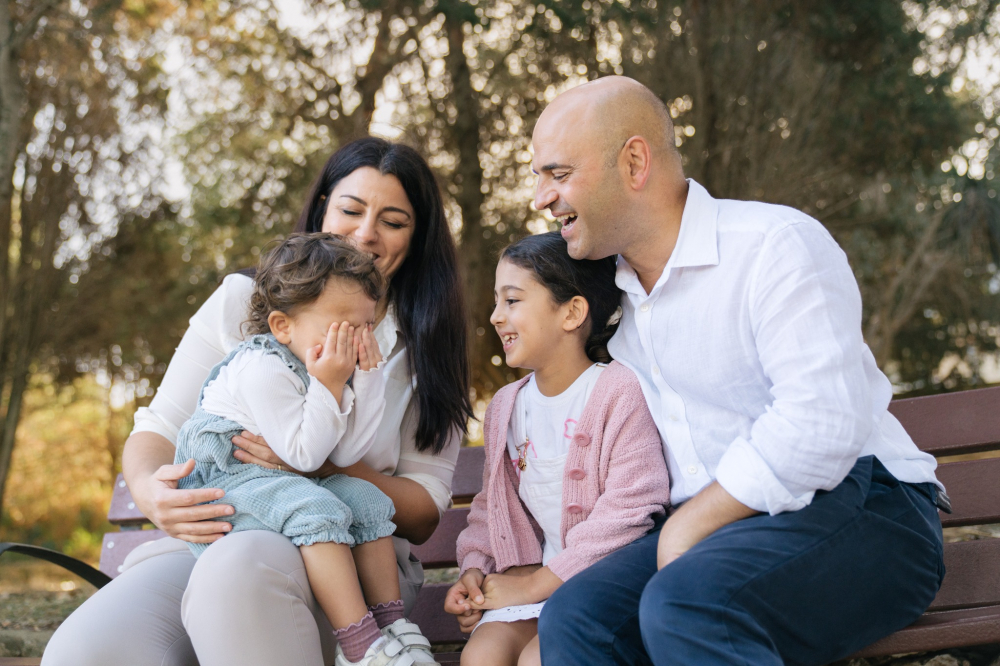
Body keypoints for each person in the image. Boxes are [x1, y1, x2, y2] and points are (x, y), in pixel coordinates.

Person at [530, 77, 947, 666]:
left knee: (689, 602)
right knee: (575, 619)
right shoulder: (610, 302)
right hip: (721, 539)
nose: (542, 198)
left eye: (558, 173)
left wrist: (686, 527)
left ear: (634, 161)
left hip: (867, 508)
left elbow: (822, 423)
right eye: (539, 177)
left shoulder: (774, 246)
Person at [43, 137, 473, 666]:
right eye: (351, 209)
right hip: (216, 535)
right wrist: (154, 494)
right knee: (87, 650)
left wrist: (315, 466)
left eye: (393, 220)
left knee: (240, 570)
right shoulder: (242, 303)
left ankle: (371, 647)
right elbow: (156, 428)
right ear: (322, 210)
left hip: (351, 563)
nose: (366, 233)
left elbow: (426, 510)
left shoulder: (424, 344)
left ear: (417, 236)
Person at [174, 232, 430, 666]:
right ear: (282, 326)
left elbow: (346, 455)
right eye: (340, 327)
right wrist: (331, 383)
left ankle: (392, 629)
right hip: (230, 475)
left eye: (365, 326)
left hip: (283, 475)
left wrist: (366, 380)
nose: (352, 340)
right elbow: (305, 457)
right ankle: (362, 648)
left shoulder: (320, 363)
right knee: (318, 509)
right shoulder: (261, 368)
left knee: (368, 500)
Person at [444, 232, 670, 666]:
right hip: (535, 580)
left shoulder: (617, 391)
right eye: (496, 301)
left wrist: (538, 583)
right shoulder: (506, 409)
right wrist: (476, 570)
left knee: (538, 660)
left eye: (512, 300)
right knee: (482, 656)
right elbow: (494, 508)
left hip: (600, 584)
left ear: (572, 312)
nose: (494, 316)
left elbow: (632, 507)